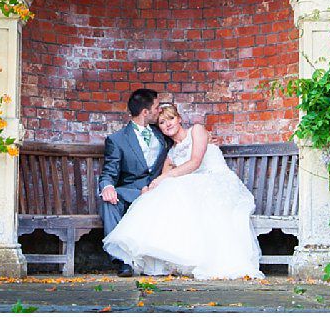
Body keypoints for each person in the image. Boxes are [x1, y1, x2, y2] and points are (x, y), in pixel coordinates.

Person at [102, 104, 263, 280]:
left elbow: (195, 162)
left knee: (178, 188)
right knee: (163, 192)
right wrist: (150, 187)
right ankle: (161, 254)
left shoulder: (197, 131)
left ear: (179, 119)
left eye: (171, 118)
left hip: (216, 181)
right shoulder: (171, 153)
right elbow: (163, 180)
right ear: (159, 128)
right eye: (162, 122)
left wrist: (164, 178)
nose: (168, 124)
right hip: (193, 187)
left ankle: (202, 258)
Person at [98, 88, 172, 277]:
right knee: (109, 201)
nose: (160, 110)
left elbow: (182, 142)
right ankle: (122, 261)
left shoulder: (162, 133)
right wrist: (107, 187)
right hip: (133, 192)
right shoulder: (117, 140)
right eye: (157, 107)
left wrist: (205, 141)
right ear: (145, 112)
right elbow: (109, 172)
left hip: (160, 190)